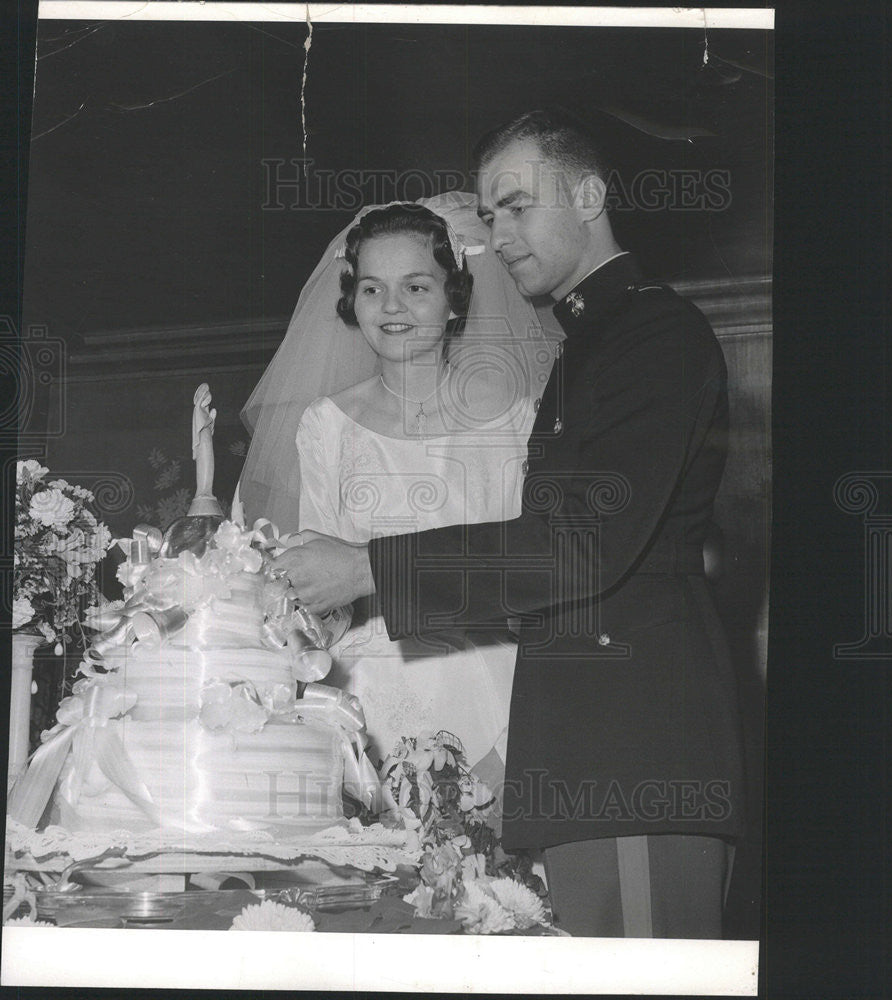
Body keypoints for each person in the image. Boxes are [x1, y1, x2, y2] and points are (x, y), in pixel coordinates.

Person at [274, 109, 746, 938]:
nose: (500, 233)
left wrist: (364, 569)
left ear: (590, 194)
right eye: (490, 216)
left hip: (632, 751)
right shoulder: (593, 341)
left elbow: (580, 546)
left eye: (517, 205)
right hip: (584, 752)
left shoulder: (652, 335)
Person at [240, 195, 559, 781]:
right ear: (352, 299)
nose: (391, 307)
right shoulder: (325, 424)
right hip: (368, 691)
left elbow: (537, 560)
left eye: (416, 287)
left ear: (454, 298)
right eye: (371, 288)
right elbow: (318, 588)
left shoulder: (517, 417)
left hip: (492, 677)